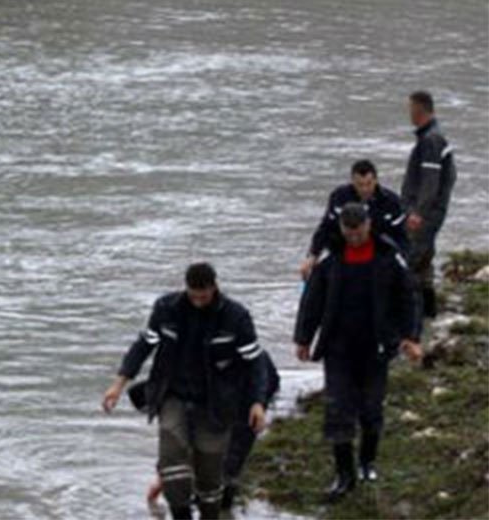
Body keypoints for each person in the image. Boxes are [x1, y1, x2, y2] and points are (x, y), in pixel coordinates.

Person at [102, 262, 268, 520]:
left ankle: (210, 512)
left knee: (209, 473)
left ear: (214, 287)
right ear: (186, 288)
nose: (198, 301)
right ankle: (181, 514)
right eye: (193, 296)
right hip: (173, 395)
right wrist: (118, 384)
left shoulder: (236, 316)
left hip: (216, 403)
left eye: (204, 296)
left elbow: (255, 363)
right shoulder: (166, 308)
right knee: (172, 459)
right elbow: (144, 345)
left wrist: (257, 402)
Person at [294, 203, 422, 503]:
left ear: (368, 226)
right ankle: (344, 475)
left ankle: (367, 463)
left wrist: (411, 337)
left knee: (371, 409)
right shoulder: (330, 260)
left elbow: (409, 298)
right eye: (348, 233)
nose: (353, 238)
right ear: (341, 230)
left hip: (377, 346)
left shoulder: (389, 257)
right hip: (338, 347)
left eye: (358, 232)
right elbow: (312, 300)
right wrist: (303, 338)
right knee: (338, 409)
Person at [142, 350, 280, 511]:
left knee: (231, 458)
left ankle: (222, 501)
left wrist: (258, 403)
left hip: (249, 391)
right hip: (220, 391)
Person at [300, 160, 409, 280]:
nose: (365, 189)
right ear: (352, 181)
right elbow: (326, 228)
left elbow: (401, 236)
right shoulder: (339, 197)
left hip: (379, 256)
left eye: (369, 184)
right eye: (360, 185)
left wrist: (404, 263)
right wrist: (312, 256)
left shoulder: (391, 202)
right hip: (342, 252)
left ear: (376, 180)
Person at [400, 91, 457, 319]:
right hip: (431, 213)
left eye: (410, 108)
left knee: (410, 260)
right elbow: (450, 177)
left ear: (418, 109)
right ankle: (428, 314)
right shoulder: (432, 136)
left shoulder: (431, 140)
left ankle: (408, 316)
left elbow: (430, 182)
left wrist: (418, 213)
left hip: (424, 215)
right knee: (424, 263)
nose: (409, 113)